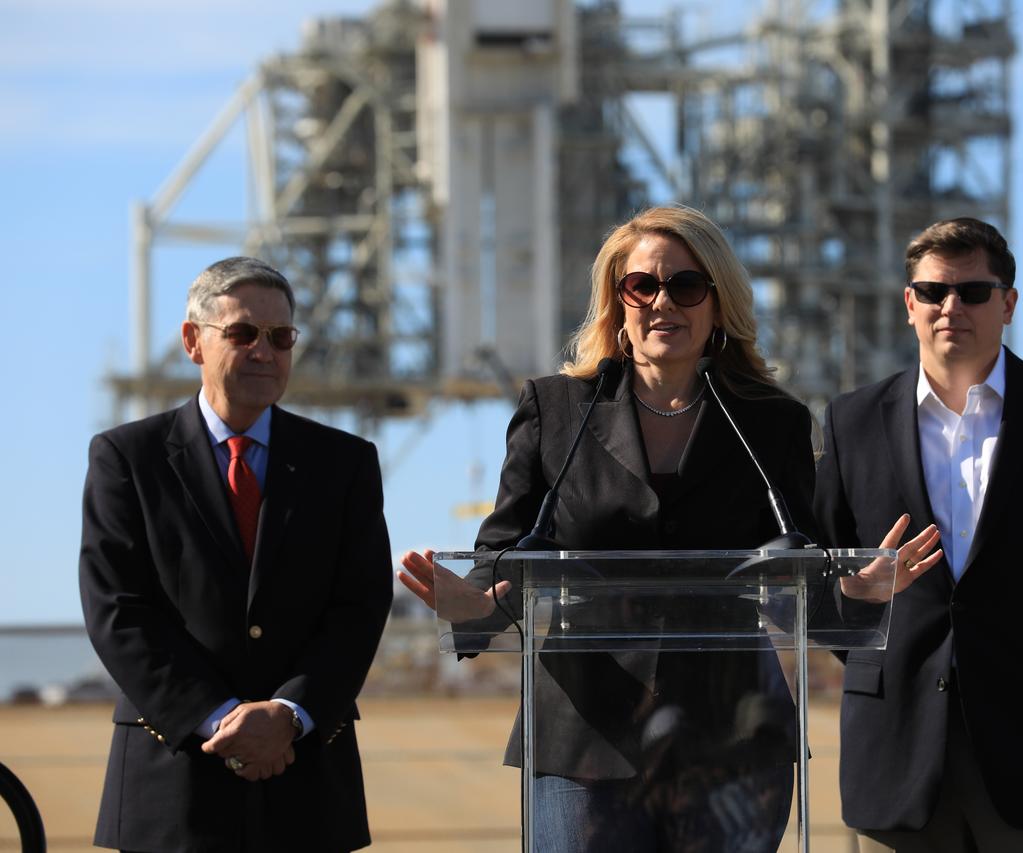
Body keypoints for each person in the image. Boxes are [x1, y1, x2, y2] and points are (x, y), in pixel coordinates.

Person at [400, 205, 940, 852]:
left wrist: (857, 593)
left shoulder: (771, 422)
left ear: (717, 304)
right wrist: (475, 604)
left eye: (686, 286)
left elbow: (801, 578)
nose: (663, 303)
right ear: (617, 302)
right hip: (584, 737)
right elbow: (510, 554)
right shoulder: (556, 410)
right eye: (642, 286)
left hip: (732, 736)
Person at [814, 217, 1023, 852]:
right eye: (934, 291)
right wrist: (865, 614)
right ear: (909, 302)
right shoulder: (851, 422)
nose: (952, 308)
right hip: (899, 760)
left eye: (973, 293)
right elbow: (815, 574)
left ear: (1009, 304)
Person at [79, 257, 392, 852]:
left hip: (306, 784)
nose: (264, 351)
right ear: (194, 341)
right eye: (244, 333)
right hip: (172, 786)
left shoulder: (344, 463)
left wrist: (286, 714)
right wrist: (221, 718)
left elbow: (360, 605)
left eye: (280, 337)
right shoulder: (127, 458)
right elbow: (117, 608)